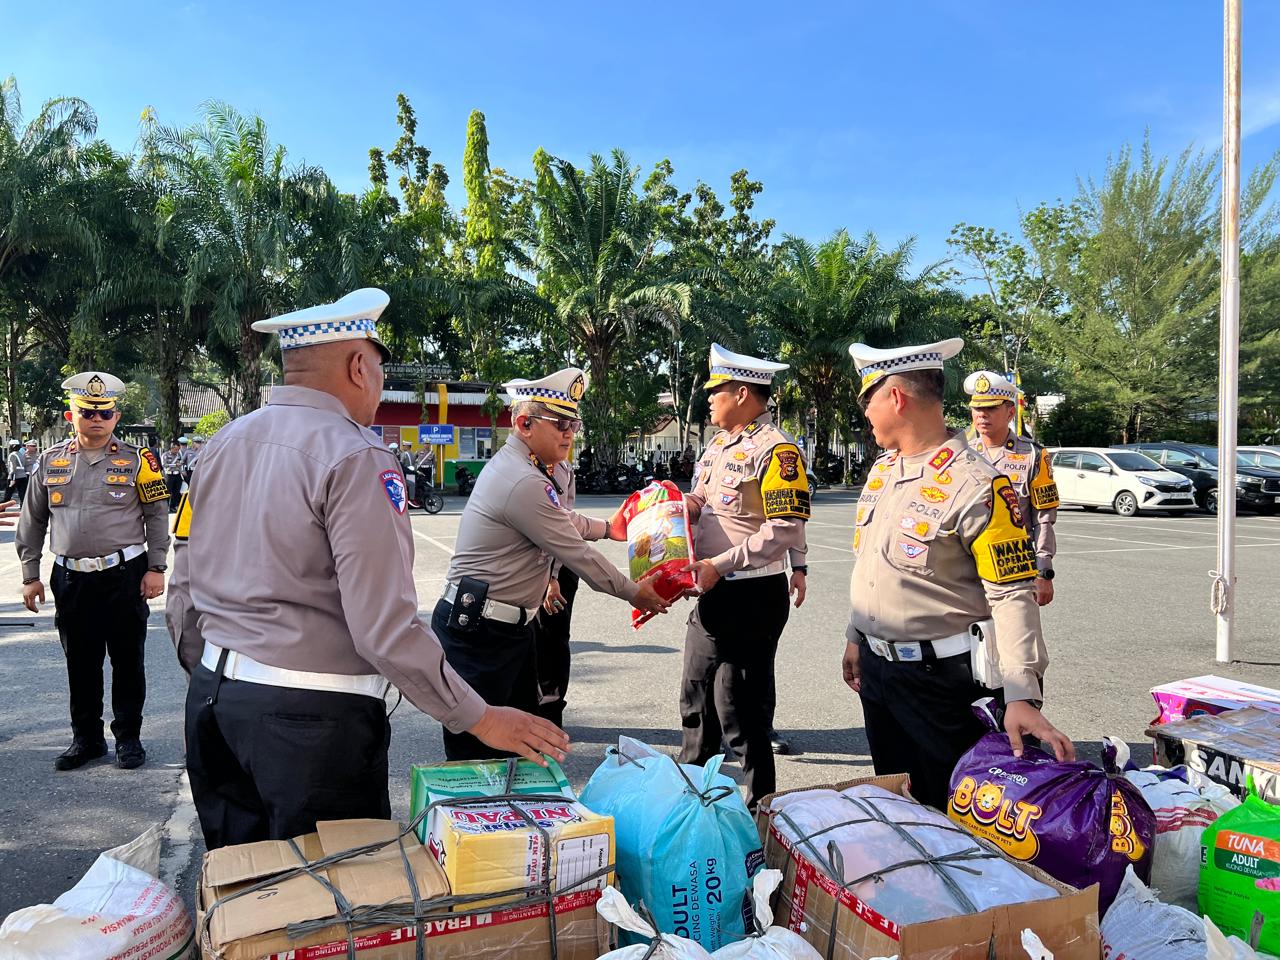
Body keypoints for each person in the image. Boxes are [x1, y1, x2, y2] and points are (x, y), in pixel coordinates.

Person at [168, 288, 566, 850]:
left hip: (213, 705)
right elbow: (384, 627)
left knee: (247, 903)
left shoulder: (221, 444)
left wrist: (214, 674)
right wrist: (477, 717)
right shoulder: (358, 456)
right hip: (309, 729)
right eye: (379, 369)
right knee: (331, 912)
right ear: (359, 366)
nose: (379, 386)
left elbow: (182, 582)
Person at [841, 339, 1074, 811]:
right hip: (880, 675)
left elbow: (1011, 595)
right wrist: (855, 636)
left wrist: (1021, 694)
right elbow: (872, 566)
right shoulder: (884, 471)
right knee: (898, 807)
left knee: (950, 818)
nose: (865, 414)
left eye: (868, 401)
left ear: (896, 398)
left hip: (942, 686)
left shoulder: (978, 484)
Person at [436, 367, 670, 760]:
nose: (570, 433)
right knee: (476, 760)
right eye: (560, 423)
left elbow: (563, 519)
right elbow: (575, 552)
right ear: (525, 424)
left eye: (573, 423)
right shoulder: (521, 480)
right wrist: (635, 593)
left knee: (521, 745)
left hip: (509, 629)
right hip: (479, 634)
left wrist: (608, 528)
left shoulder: (536, 471)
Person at [677, 343, 810, 810]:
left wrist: (727, 565)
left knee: (738, 709)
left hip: (752, 594)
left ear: (741, 393)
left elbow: (786, 526)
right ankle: (692, 806)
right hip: (712, 590)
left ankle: (761, 811)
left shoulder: (778, 451)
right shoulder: (716, 447)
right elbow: (703, 503)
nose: (709, 399)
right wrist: (680, 508)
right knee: (696, 700)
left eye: (716, 391)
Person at [16, 372, 171, 771]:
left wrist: (156, 568)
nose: (96, 419)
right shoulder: (51, 462)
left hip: (125, 574)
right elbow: (32, 521)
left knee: (127, 661)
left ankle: (128, 740)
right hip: (71, 578)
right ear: (72, 415)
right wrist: (30, 574)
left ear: (116, 416)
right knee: (80, 663)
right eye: (88, 412)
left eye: (105, 413)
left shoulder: (140, 461)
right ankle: (86, 740)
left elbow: (157, 516)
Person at [964, 371, 1060, 606]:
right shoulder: (962, 453)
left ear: (1010, 412)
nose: (982, 415)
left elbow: (1043, 518)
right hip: (966, 566)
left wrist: (1043, 570)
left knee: (1017, 638)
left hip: (1013, 565)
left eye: (991, 408)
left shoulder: (1033, 455)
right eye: (977, 409)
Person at [533, 454, 581, 729]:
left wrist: (551, 578)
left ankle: (550, 717)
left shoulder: (555, 466)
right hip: (534, 570)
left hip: (556, 571)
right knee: (531, 643)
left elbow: (560, 527)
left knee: (550, 644)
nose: (566, 434)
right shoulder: (526, 461)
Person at [161, 440, 186, 513]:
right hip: (169, 475)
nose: (177, 451)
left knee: (176, 492)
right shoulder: (165, 455)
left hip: (177, 475)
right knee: (168, 492)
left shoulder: (179, 455)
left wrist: (182, 471)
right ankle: (165, 507)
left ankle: (173, 507)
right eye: (175, 449)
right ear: (171, 448)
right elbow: (164, 465)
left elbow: (181, 464)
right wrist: (175, 465)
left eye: (178, 449)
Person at [7, 439, 33, 505]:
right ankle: (23, 511)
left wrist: (12, 479)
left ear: (13, 446)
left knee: (7, 495)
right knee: (22, 495)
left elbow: (13, 468)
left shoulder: (12, 455)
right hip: (23, 476)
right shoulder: (21, 454)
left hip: (14, 477)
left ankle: (1, 510)